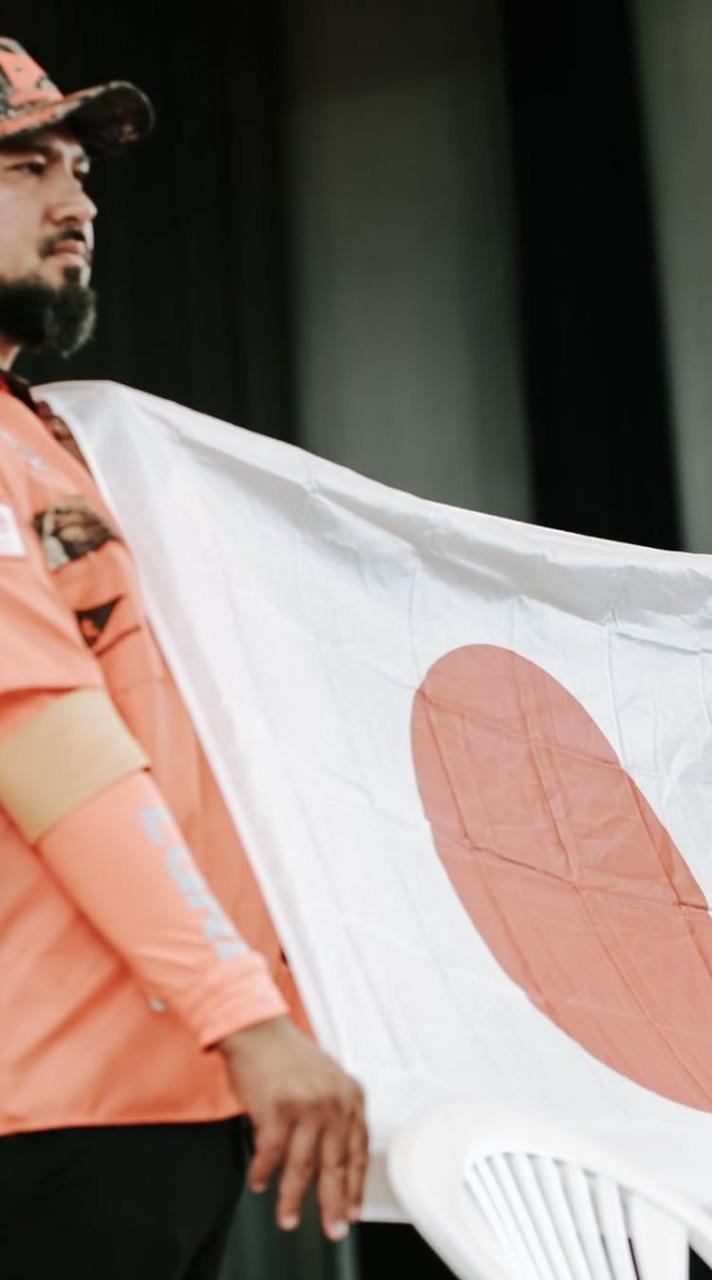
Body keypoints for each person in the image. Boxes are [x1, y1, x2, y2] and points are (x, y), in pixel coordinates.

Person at [0, 37, 367, 1280]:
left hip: (159, 1098)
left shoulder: (54, 436)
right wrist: (245, 1015)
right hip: (53, 1111)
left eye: (80, 168)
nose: (78, 199)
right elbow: (47, 747)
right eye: (26, 164)